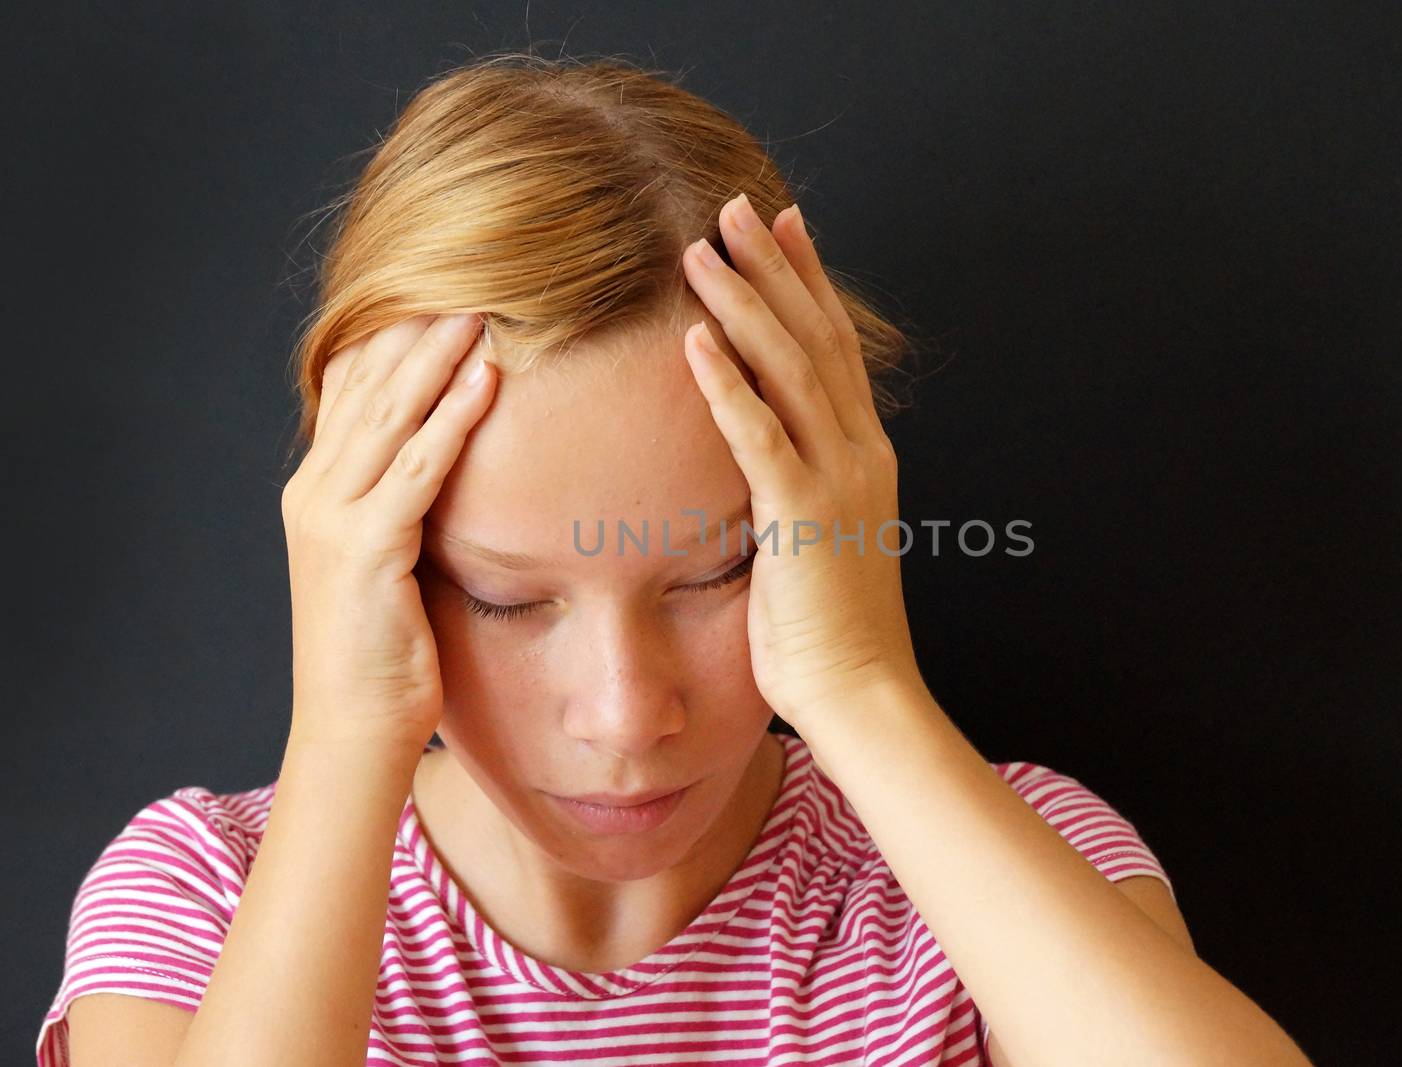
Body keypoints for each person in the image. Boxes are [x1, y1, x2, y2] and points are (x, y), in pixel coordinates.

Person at [37, 52, 1313, 1066]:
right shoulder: (204, 896)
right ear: (368, 554)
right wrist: (344, 732)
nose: (629, 712)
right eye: (506, 594)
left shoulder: (1009, 866)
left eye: (712, 573)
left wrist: (861, 683)